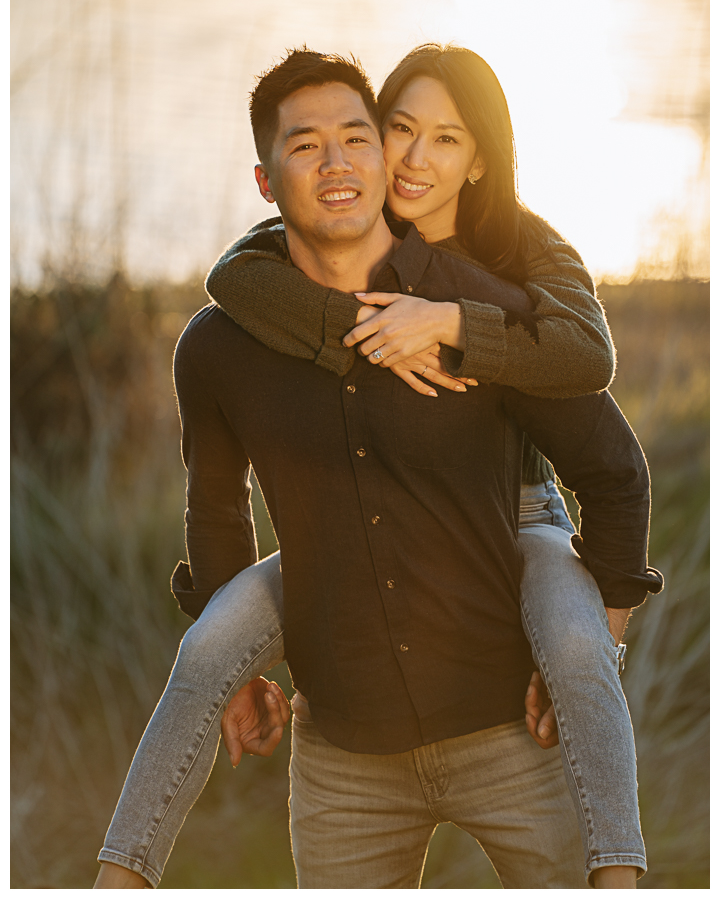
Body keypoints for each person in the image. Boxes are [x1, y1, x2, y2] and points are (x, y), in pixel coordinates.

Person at [95, 49, 661, 890]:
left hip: (514, 641)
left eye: (357, 138)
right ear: (264, 178)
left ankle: (622, 871)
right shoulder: (230, 328)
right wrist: (253, 671)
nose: (351, 162)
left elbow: (608, 442)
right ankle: (117, 878)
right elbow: (216, 507)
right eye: (397, 130)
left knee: (578, 647)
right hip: (343, 755)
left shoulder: (496, 279)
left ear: (471, 161)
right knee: (211, 642)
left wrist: (455, 325)